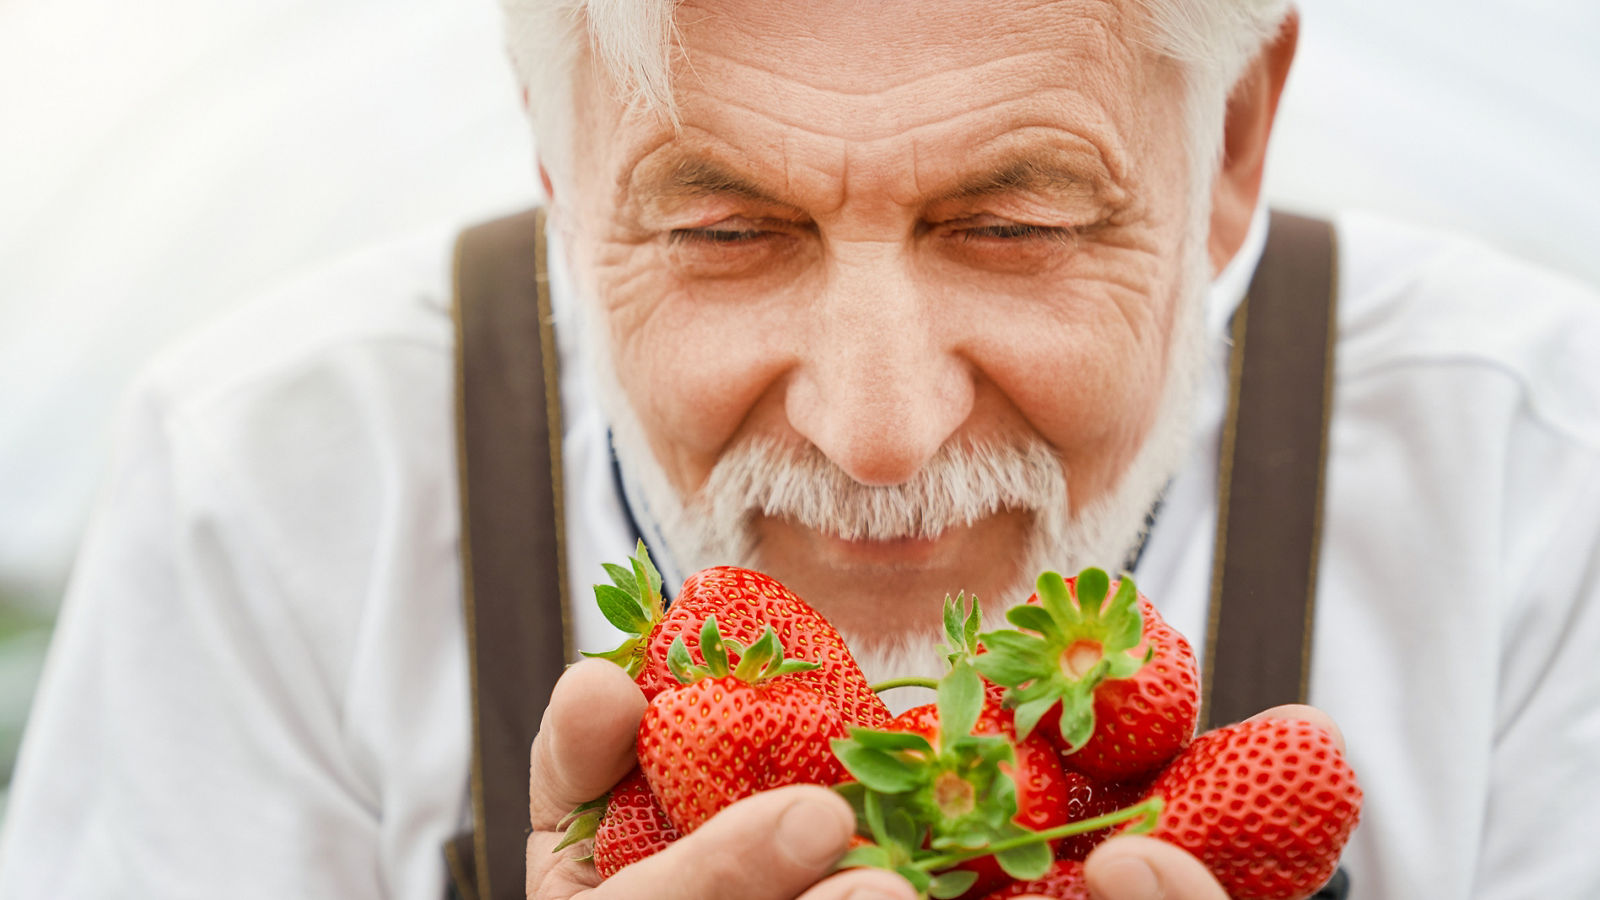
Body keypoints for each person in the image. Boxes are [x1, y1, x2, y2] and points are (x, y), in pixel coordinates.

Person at [3, 1, 1599, 898]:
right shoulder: (269, 486)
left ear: (1233, 139)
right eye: (724, 228)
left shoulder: (1540, 476)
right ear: (558, 164)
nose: (880, 433)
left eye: (1014, 221)